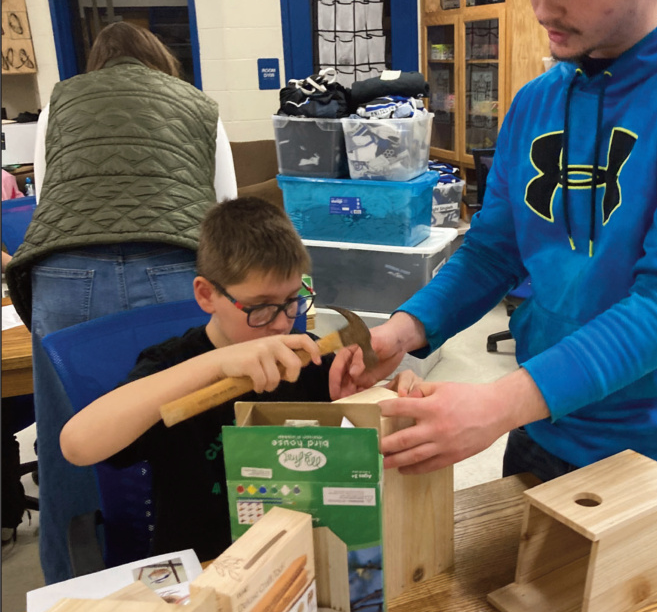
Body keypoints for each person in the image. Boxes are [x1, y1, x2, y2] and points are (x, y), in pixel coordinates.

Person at [330, 0, 657, 612]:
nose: (545, 7)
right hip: (540, 432)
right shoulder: (537, 99)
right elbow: (492, 252)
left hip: (654, 457)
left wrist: (498, 399)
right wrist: (402, 330)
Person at [6, 21, 237, 583]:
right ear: (161, 61)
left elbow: (46, 193)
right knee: (185, 432)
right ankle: (204, 581)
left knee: (70, 446)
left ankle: (75, 598)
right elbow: (227, 212)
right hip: (177, 267)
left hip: (67, 272)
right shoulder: (198, 105)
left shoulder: (61, 100)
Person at [59, 197, 414, 562]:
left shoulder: (307, 355)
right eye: (260, 306)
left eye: (293, 299)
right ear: (206, 294)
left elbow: (343, 466)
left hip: (300, 555)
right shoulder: (171, 365)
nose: (280, 322)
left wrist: (380, 402)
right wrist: (216, 364)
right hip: (206, 568)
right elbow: (77, 444)